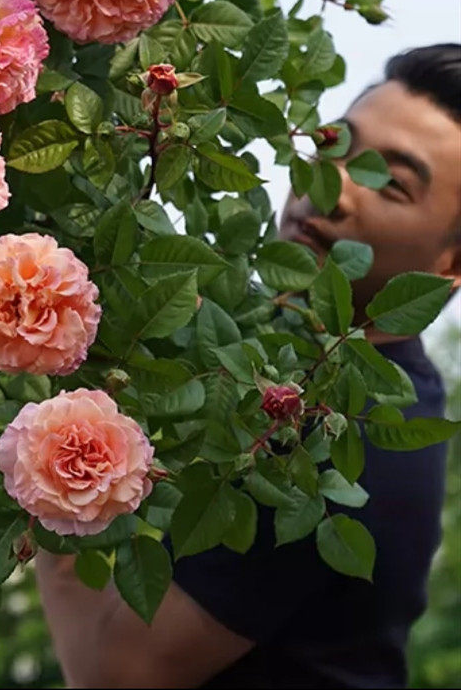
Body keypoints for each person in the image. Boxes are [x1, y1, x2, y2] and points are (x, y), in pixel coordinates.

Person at [34, 43, 461, 689]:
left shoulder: (347, 435)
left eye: (391, 182)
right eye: (332, 146)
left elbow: (114, 670)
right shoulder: (270, 349)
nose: (334, 187)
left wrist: (40, 456)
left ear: (450, 266)